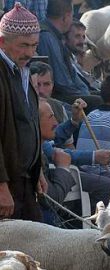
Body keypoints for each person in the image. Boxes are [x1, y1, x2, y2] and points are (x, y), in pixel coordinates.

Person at [0, 3, 47, 221]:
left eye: (34, 45)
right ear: (2, 41)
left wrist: (38, 170)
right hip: (7, 185)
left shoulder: (23, 71)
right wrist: (1, 187)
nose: (30, 52)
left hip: (25, 181)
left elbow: (29, 123)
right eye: (24, 45)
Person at [37, 0, 102, 112]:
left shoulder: (54, 36)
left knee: (108, 95)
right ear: (66, 17)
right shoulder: (47, 38)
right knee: (99, 101)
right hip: (59, 96)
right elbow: (61, 82)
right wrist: (83, 93)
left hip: (71, 90)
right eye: (72, 16)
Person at [65, 20, 101, 93]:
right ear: (65, 38)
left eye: (83, 37)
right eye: (77, 36)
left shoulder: (73, 58)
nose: (82, 41)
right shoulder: (66, 59)